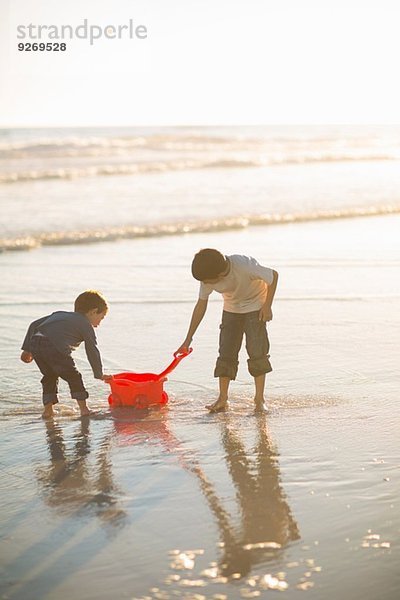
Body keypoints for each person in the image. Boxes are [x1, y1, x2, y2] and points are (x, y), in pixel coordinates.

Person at [176, 249, 278, 413]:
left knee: (257, 352)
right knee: (226, 353)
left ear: (221, 274)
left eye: (208, 281)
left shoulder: (245, 265)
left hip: (255, 307)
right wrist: (188, 339)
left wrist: (267, 306)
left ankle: (259, 399)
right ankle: (223, 398)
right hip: (231, 309)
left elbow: (273, 276)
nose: (205, 284)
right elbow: (201, 306)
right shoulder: (207, 277)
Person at [20, 290, 112, 418]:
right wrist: (99, 373)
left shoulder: (60, 314)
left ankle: (48, 411)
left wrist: (27, 349)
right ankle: (84, 409)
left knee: (49, 376)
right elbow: (92, 350)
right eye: (101, 317)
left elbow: (35, 324)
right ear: (93, 311)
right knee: (74, 376)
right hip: (54, 346)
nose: (99, 323)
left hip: (36, 342)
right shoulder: (85, 324)